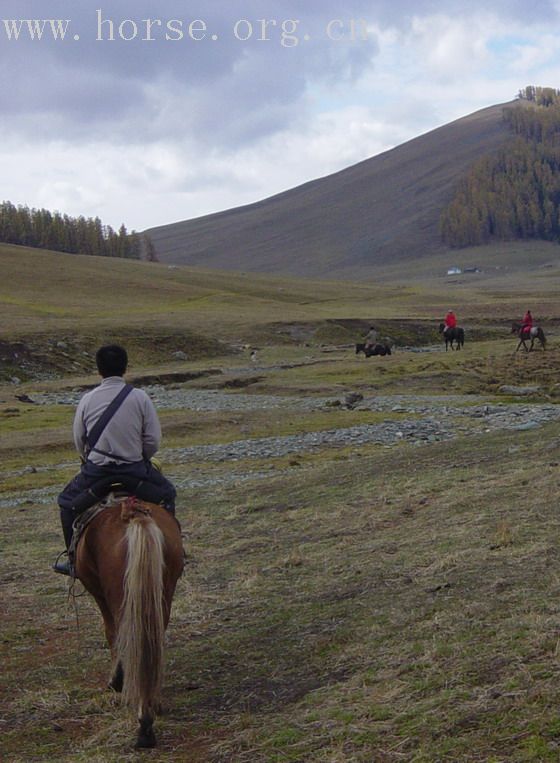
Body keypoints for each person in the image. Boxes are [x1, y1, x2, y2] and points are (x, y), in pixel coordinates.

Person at [55, 344, 176, 575]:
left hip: (96, 475)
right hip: (135, 473)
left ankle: (72, 560)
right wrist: (141, 458)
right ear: (125, 367)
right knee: (168, 495)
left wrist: (90, 459)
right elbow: (153, 440)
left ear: (99, 370)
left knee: (66, 503)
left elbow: (79, 440)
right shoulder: (140, 398)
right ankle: (174, 552)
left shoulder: (87, 400)